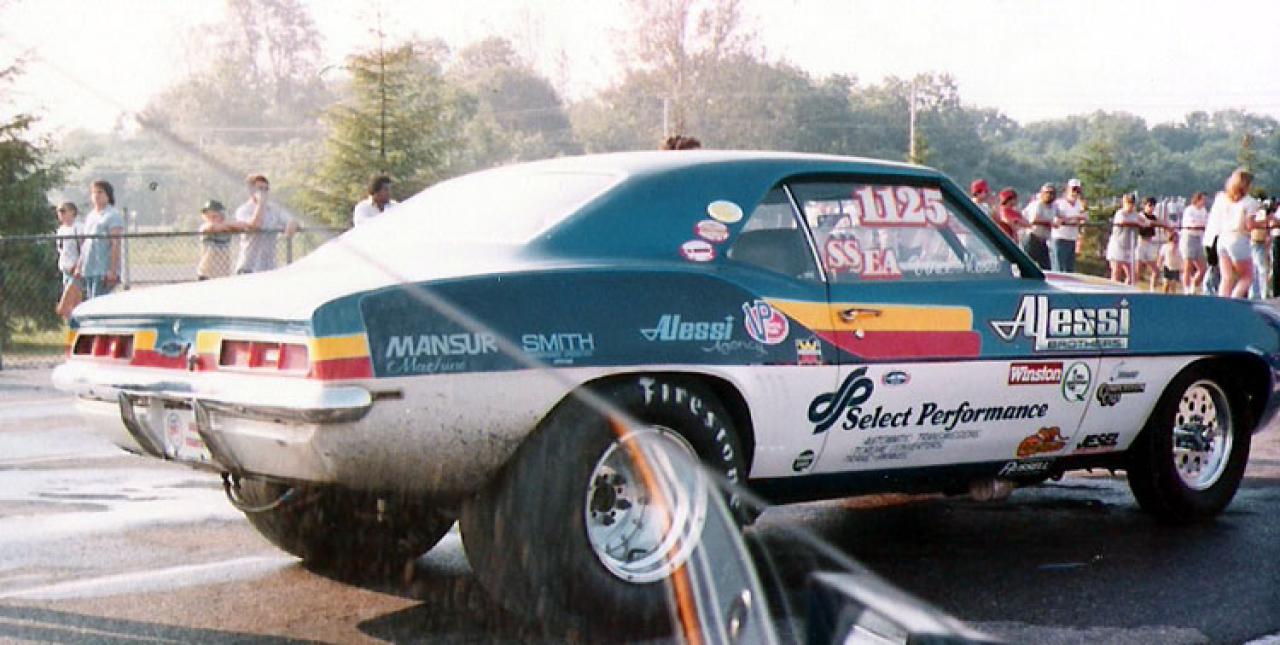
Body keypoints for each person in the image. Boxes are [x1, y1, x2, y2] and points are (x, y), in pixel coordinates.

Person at [1208, 168, 1260, 298]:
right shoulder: (1250, 202)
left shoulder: (1222, 198)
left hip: (1222, 239)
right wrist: (1265, 224)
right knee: (1247, 276)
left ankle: (1222, 303)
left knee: (1227, 278)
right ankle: (1235, 300)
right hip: (1238, 239)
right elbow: (1249, 225)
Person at [233, 174, 297, 274]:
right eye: (260, 189)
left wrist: (292, 223)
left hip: (269, 267)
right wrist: (260, 204)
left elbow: (291, 220)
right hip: (249, 267)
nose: (263, 192)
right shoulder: (243, 210)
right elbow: (255, 225)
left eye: (266, 189)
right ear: (251, 190)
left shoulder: (274, 209)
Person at [75, 180, 125, 299]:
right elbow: (86, 244)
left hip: (103, 270)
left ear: (108, 195)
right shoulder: (91, 216)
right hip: (89, 268)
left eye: (100, 192)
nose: (96, 195)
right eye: (94, 192)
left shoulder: (112, 215)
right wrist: (79, 266)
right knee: (90, 302)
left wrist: (112, 270)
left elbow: (115, 244)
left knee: (98, 301)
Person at [1105, 193, 1144, 285]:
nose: (1130, 205)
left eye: (1132, 203)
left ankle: (1127, 291)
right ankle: (1113, 290)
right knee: (1116, 272)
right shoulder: (1120, 213)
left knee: (1131, 275)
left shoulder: (1135, 214)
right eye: (1128, 202)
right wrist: (1137, 223)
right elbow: (1123, 222)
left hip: (1130, 246)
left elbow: (1145, 222)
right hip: (1118, 245)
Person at [1051, 178, 1087, 272]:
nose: (1075, 192)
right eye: (1073, 189)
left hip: (1072, 238)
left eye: (1077, 190)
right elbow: (1056, 219)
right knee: (1058, 266)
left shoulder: (1079, 204)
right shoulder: (1059, 203)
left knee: (1069, 268)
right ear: (1068, 189)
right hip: (1060, 237)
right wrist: (1072, 218)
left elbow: (1083, 218)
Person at [196, 200, 238, 281]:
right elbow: (213, 227)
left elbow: (242, 226)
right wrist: (228, 226)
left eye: (214, 216)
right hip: (207, 273)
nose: (210, 218)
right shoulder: (204, 227)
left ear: (222, 215)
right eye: (207, 215)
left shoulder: (227, 227)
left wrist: (229, 227)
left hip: (223, 272)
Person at [1020, 183, 1057, 270]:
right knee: (1027, 266)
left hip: (1043, 240)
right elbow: (1034, 220)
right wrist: (1049, 223)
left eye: (1051, 193)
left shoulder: (1053, 207)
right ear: (1042, 193)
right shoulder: (1038, 205)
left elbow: (1061, 216)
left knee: (1046, 267)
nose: (1049, 195)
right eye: (1047, 192)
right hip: (1032, 239)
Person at [1180, 191, 1209, 294]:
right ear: (1197, 199)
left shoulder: (1204, 210)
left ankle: (1193, 285)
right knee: (1188, 265)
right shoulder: (1190, 210)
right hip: (1189, 237)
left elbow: (1206, 223)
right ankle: (1186, 289)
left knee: (1203, 268)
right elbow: (1192, 224)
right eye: (1203, 199)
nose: (1204, 201)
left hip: (1199, 238)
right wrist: (1202, 225)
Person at [1135, 197, 1163, 290]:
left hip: (1149, 243)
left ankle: (1152, 289)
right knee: (1138, 269)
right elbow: (1149, 223)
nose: (1151, 208)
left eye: (1153, 206)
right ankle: (1133, 287)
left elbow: (1158, 222)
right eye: (1149, 205)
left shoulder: (1154, 217)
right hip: (1140, 243)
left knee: (1156, 270)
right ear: (1145, 206)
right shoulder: (1141, 215)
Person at [54, 202, 81, 289]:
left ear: (72, 212)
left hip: (76, 270)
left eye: (63, 211)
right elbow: (60, 249)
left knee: (73, 293)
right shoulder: (60, 230)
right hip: (65, 269)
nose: (60, 214)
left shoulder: (78, 228)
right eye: (58, 211)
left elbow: (84, 250)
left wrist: (77, 266)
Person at [1249, 199, 1273, 299]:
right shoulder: (1259, 214)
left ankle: (1256, 293)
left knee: (1256, 269)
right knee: (1261, 269)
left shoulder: (1258, 214)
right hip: (1257, 241)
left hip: (1258, 241)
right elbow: (1262, 225)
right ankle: (1261, 293)